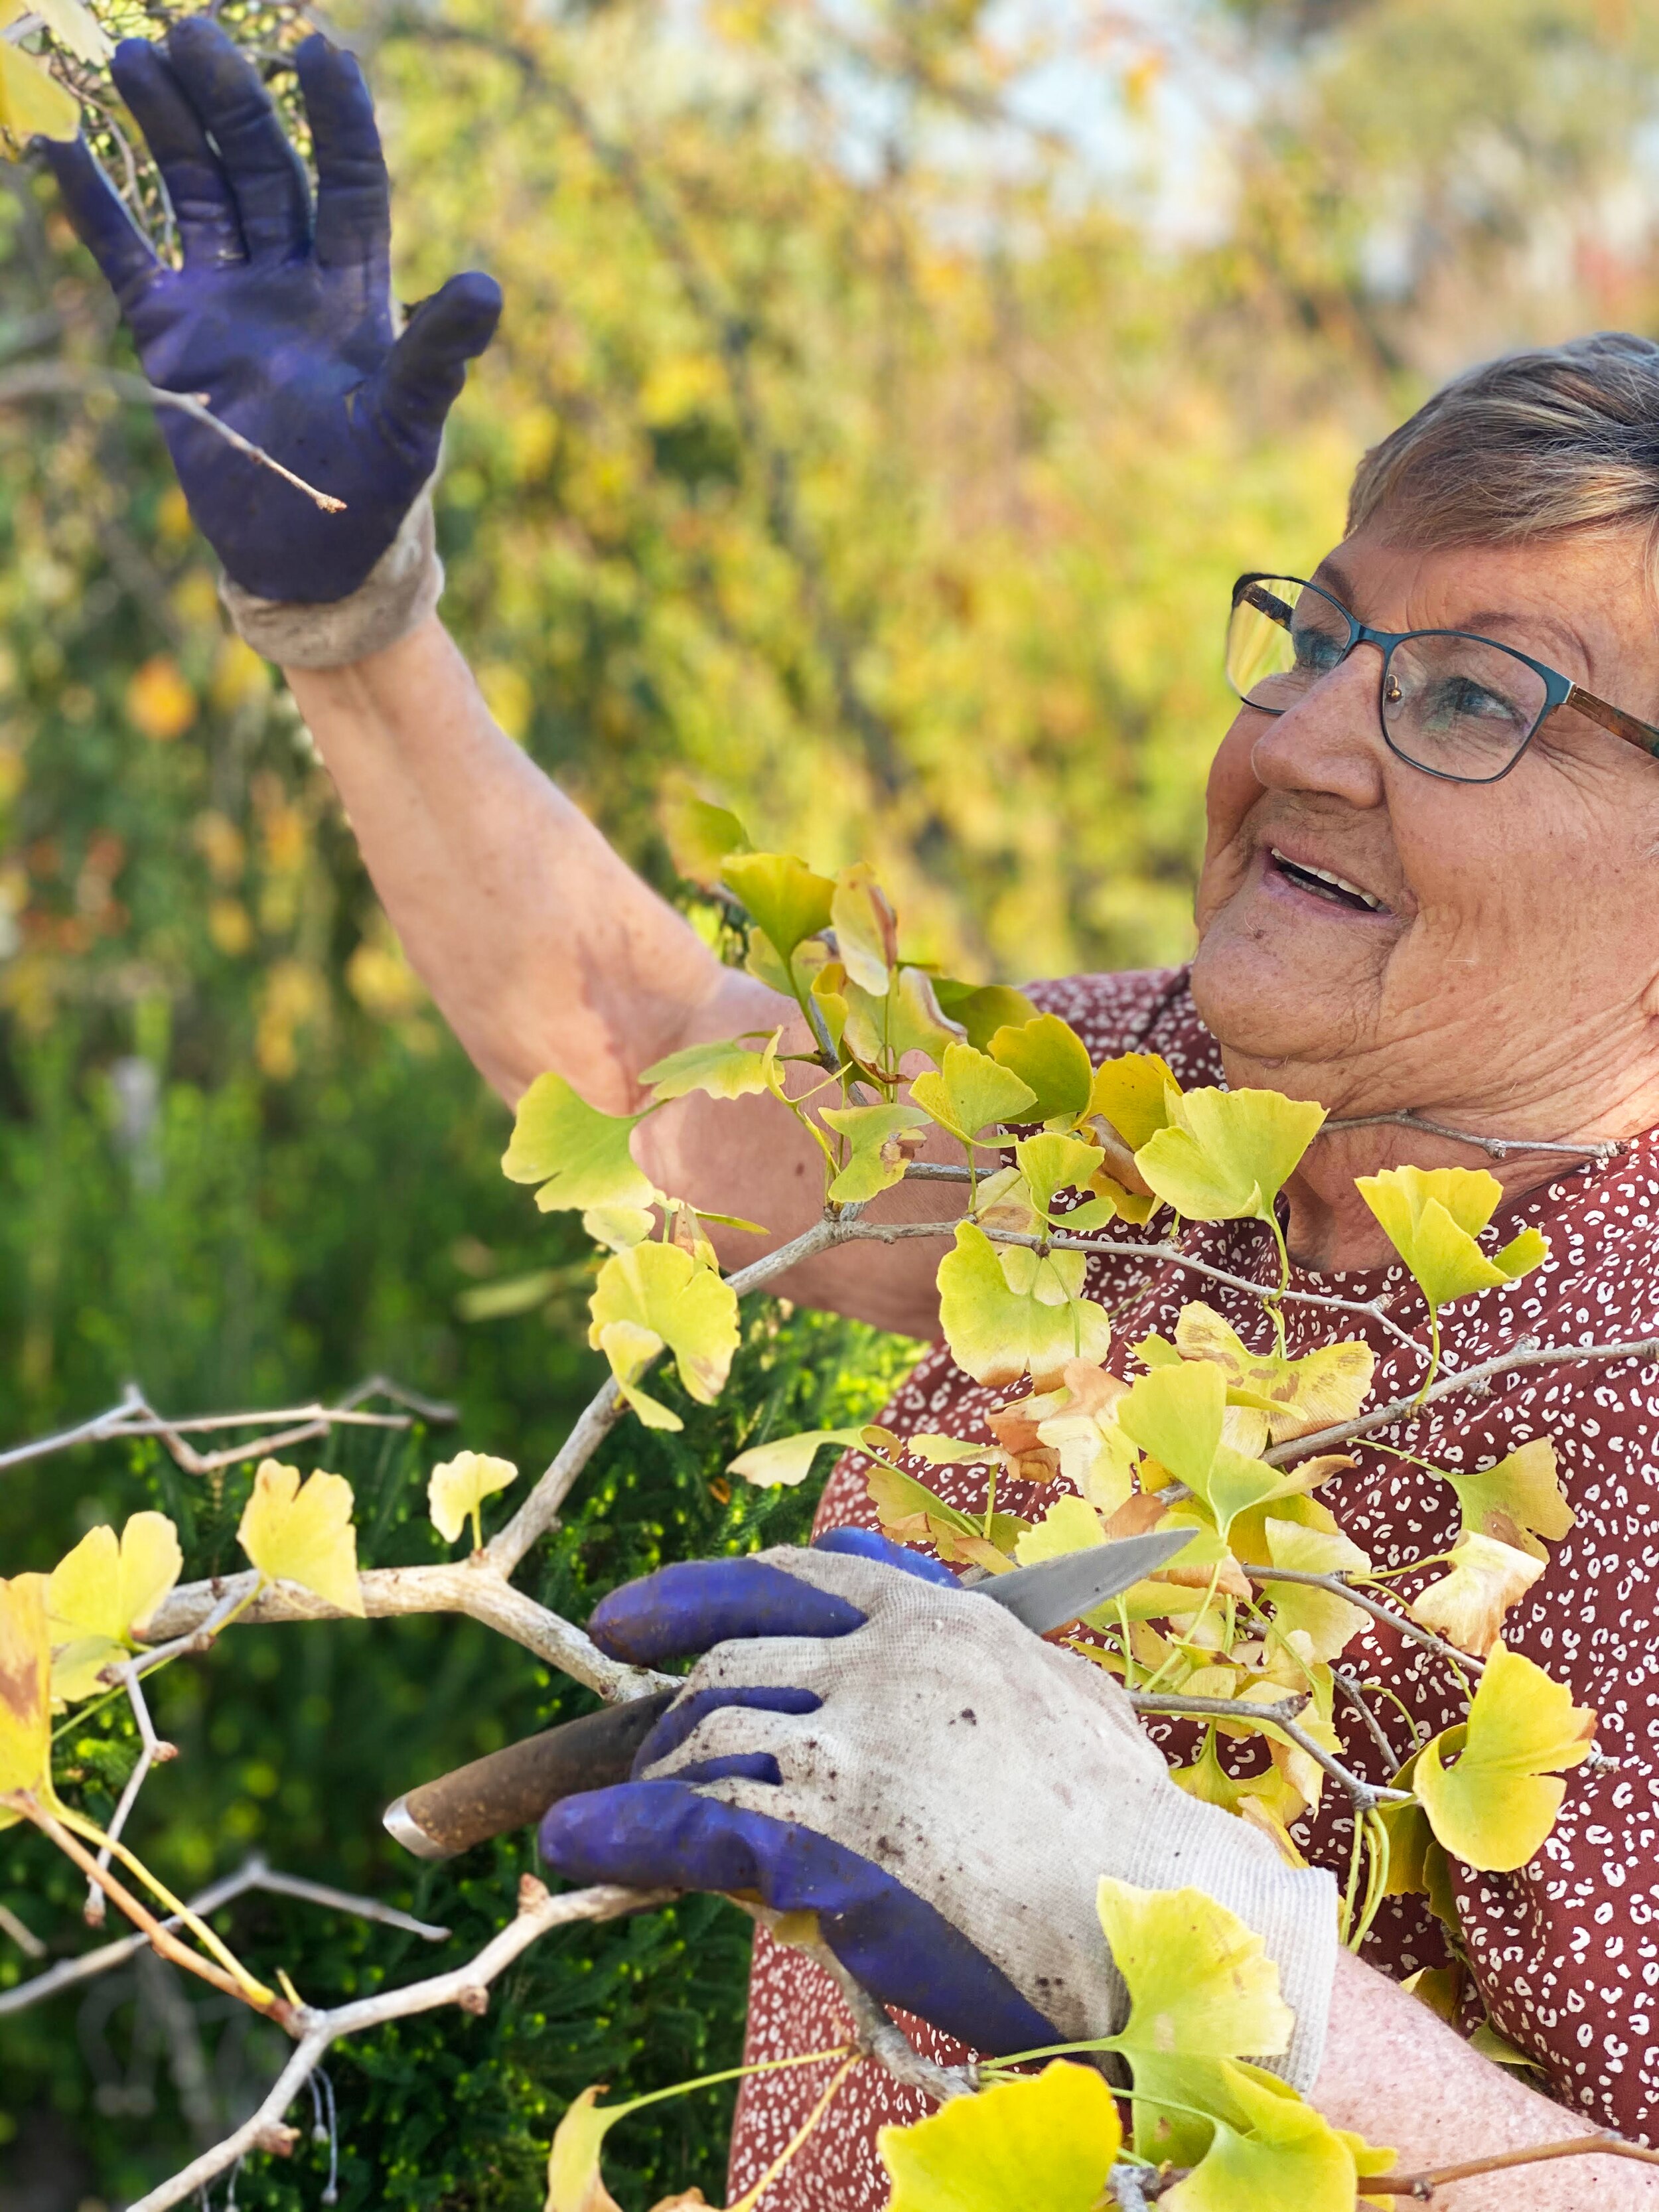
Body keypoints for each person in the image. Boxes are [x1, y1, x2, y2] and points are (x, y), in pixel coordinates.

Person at [39, 23, 1659, 2207]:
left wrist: (1180, 1941)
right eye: (1324, 634)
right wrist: (354, 623)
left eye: (1471, 696)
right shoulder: (1152, 1121)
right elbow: (645, 1078)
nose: (1301, 737)